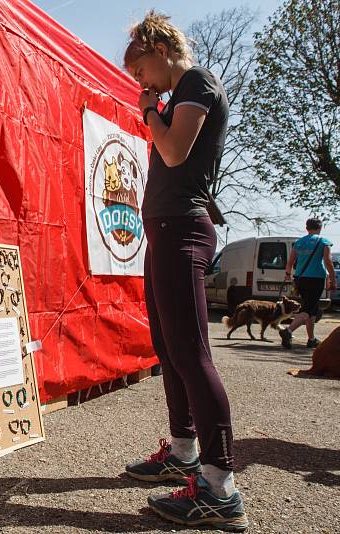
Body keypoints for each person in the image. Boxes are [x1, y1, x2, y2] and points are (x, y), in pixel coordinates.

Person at [121, 11, 248, 531]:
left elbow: (173, 152)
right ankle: (183, 451)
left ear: (158, 48)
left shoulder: (196, 82)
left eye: (141, 73)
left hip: (183, 230)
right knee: (170, 347)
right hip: (166, 231)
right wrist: (157, 108)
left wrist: (152, 113)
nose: (142, 85)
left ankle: (219, 488)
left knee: (192, 352)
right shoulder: (180, 93)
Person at [280, 218, 336, 349]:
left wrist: (288, 275)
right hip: (316, 278)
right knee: (308, 308)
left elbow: (290, 262)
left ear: (307, 228)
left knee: (313, 309)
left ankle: (311, 339)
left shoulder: (299, 242)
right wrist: (333, 279)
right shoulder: (324, 241)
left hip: (300, 278)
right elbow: (328, 261)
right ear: (320, 228)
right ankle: (288, 331)